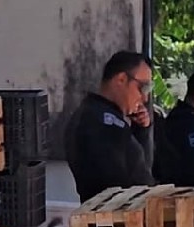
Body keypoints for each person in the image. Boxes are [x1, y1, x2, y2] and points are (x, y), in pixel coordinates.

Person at [65, 51, 157, 202]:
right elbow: (122, 182)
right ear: (121, 79)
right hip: (115, 216)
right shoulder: (99, 121)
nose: (144, 97)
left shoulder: (99, 116)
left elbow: (142, 168)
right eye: (143, 87)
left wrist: (142, 130)